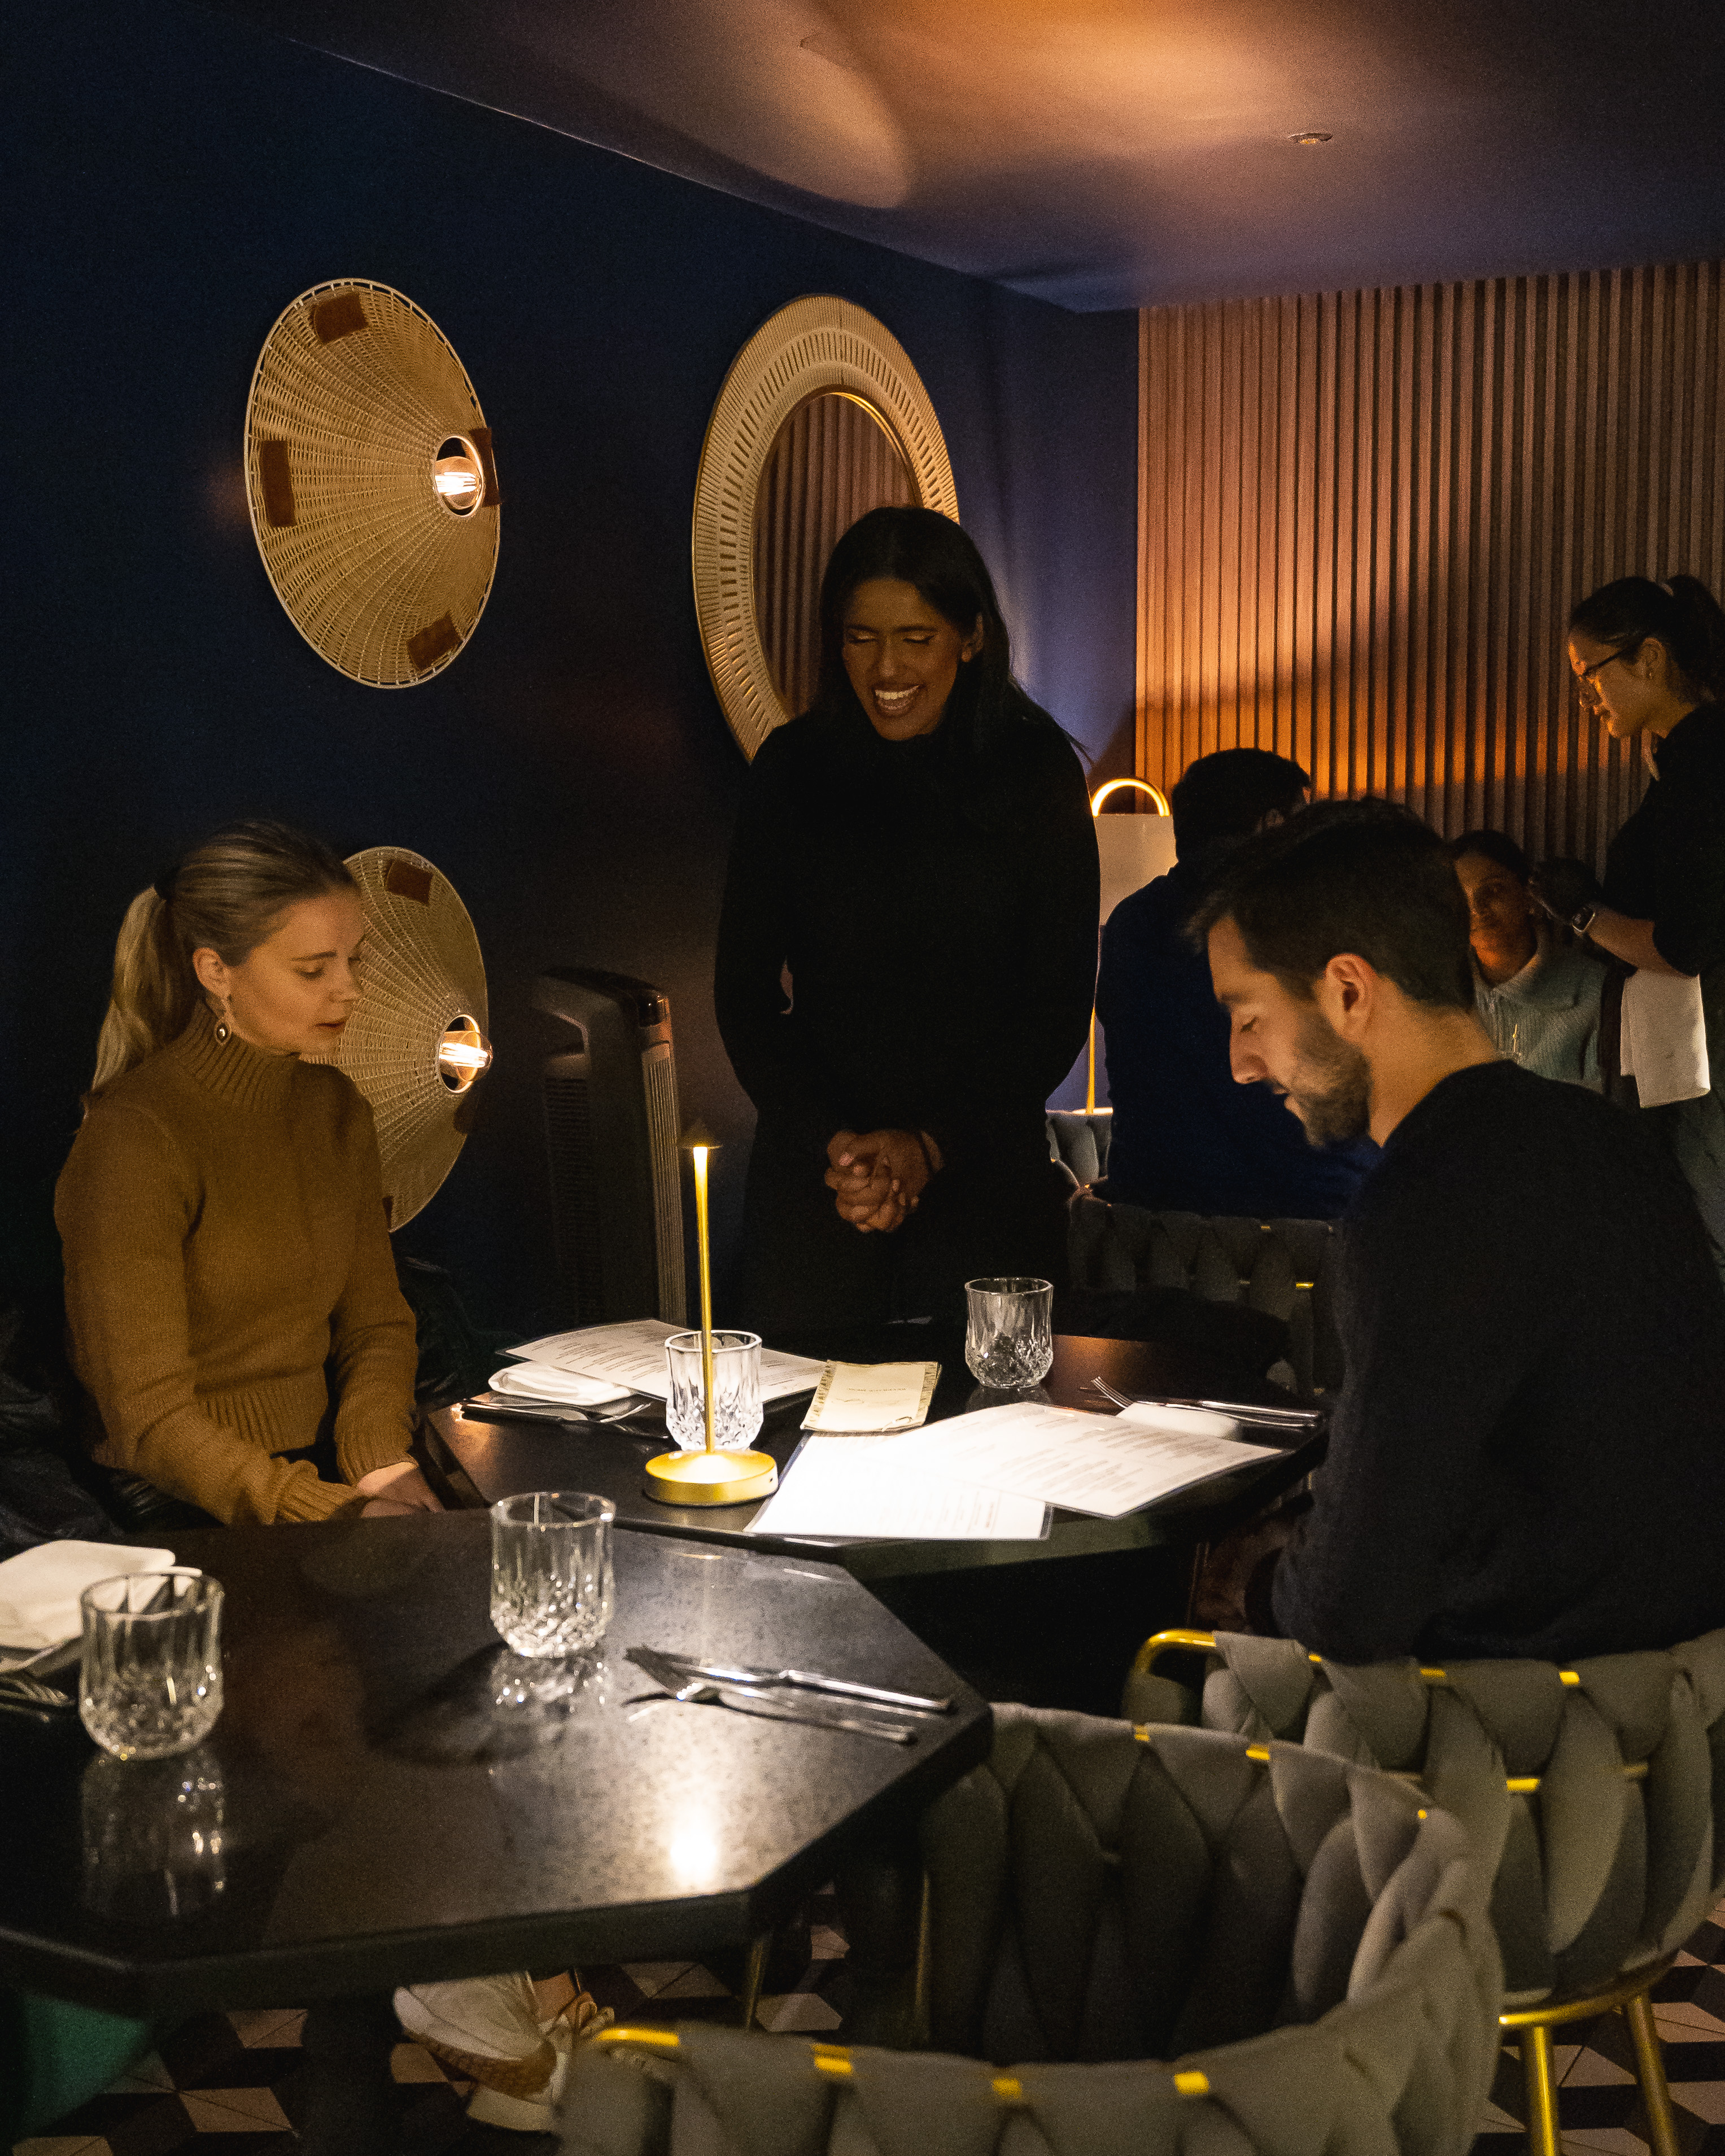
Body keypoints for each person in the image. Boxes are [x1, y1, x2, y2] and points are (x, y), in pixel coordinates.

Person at [1193, 799, 1725, 1665]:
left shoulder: (1420, 1206)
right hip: (1679, 1695)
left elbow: (1350, 1607)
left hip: (1518, 1699)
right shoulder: (1606, 1138)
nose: (1240, 1063)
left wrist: (1255, 1584)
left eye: (1248, 1016)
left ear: (1347, 991)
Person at [714, 505, 1099, 1332]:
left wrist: (928, 1146)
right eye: (860, 638)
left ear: (971, 637)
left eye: (915, 638)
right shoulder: (791, 770)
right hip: (823, 1187)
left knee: (993, 1411)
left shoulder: (1034, 772)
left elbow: (1056, 1004)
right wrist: (839, 1148)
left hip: (983, 1182)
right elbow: (743, 995)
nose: (885, 666)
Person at [56, 821, 439, 1525]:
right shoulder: (135, 1136)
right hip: (180, 1495)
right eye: (313, 970)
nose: (349, 990)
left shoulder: (336, 1109)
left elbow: (377, 1324)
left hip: (323, 1467)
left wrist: (379, 1461)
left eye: (355, 960)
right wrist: (326, 1513)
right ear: (215, 972)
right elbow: (147, 1419)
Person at [1095, 747, 1371, 1218]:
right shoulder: (1293, 924)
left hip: (1146, 1215)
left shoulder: (1129, 923)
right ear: (1272, 824)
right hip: (1303, 1214)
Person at [1544, 575, 1725, 1270]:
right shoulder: (1686, 758)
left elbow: (1682, 944)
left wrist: (1584, 912)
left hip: (1704, 1057)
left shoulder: (1701, 761)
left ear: (1648, 659)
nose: (1585, 698)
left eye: (1589, 674)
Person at [1448, 828, 1605, 1089]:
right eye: (1461, 898)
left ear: (1529, 896)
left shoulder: (1591, 989)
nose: (1477, 909)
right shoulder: (1440, 994)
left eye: (1493, 890)